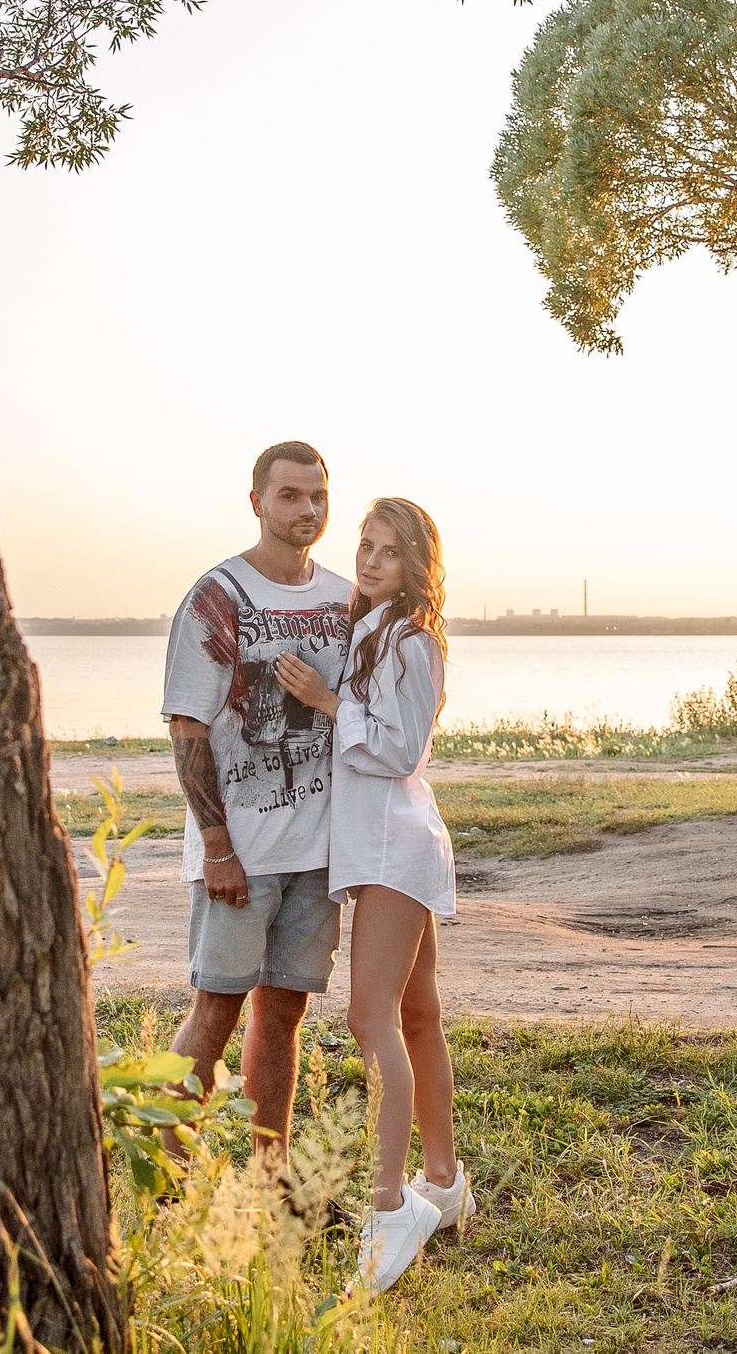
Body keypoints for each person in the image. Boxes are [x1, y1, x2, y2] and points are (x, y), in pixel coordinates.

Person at [277, 496, 468, 1294]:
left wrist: (328, 703)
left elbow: (399, 750)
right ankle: (445, 1181)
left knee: (370, 1018)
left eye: (388, 551)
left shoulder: (415, 640)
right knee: (417, 1015)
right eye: (364, 544)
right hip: (381, 847)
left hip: (396, 847)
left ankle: (391, 1205)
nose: (368, 559)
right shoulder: (370, 628)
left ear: (415, 564)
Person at [160, 441, 352, 1154]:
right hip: (240, 852)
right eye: (291, 495)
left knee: (284, 1015)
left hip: (320, 850)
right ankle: (170, 1170)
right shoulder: (218, 595)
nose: (307, 509)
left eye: (318, 497)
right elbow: (187, 724)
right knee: (216, 1009)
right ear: (258, 502)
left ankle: (272, 1179)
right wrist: (216, 847)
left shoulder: (343, 597)